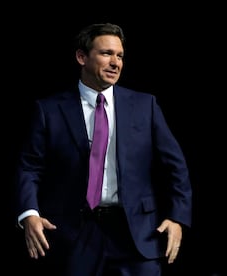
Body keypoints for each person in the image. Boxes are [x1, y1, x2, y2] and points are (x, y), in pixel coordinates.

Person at [14, 22, 192, 276]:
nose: (115, 62)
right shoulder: (49, 110)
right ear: (81, 57)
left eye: (120, 56)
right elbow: (29, 167)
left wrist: (177, 217)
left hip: (136, 233)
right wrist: (29, 214)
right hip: (74, 233)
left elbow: (176, 167)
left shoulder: (145, 105)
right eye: (106, 53)